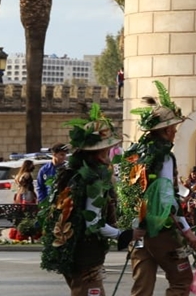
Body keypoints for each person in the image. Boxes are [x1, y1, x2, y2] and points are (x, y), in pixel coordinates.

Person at [40, 104, 131, 296]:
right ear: (99, 152)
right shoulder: (94, 179)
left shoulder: (72, 174)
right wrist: (122, 234)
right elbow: (93, 222)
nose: (110, 153)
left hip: (69, 248)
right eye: (107, 149)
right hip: (85, 252)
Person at [121, 82, 196, 296]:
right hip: (161, 229)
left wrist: (132, 225)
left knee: (142, 289)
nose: (175, 132)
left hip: (138, 229)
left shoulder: (134, 154)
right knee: (182, 281)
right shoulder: (164, 156)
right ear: (166, 130)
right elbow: (168, 199)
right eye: (174, 128)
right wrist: (186, 230)